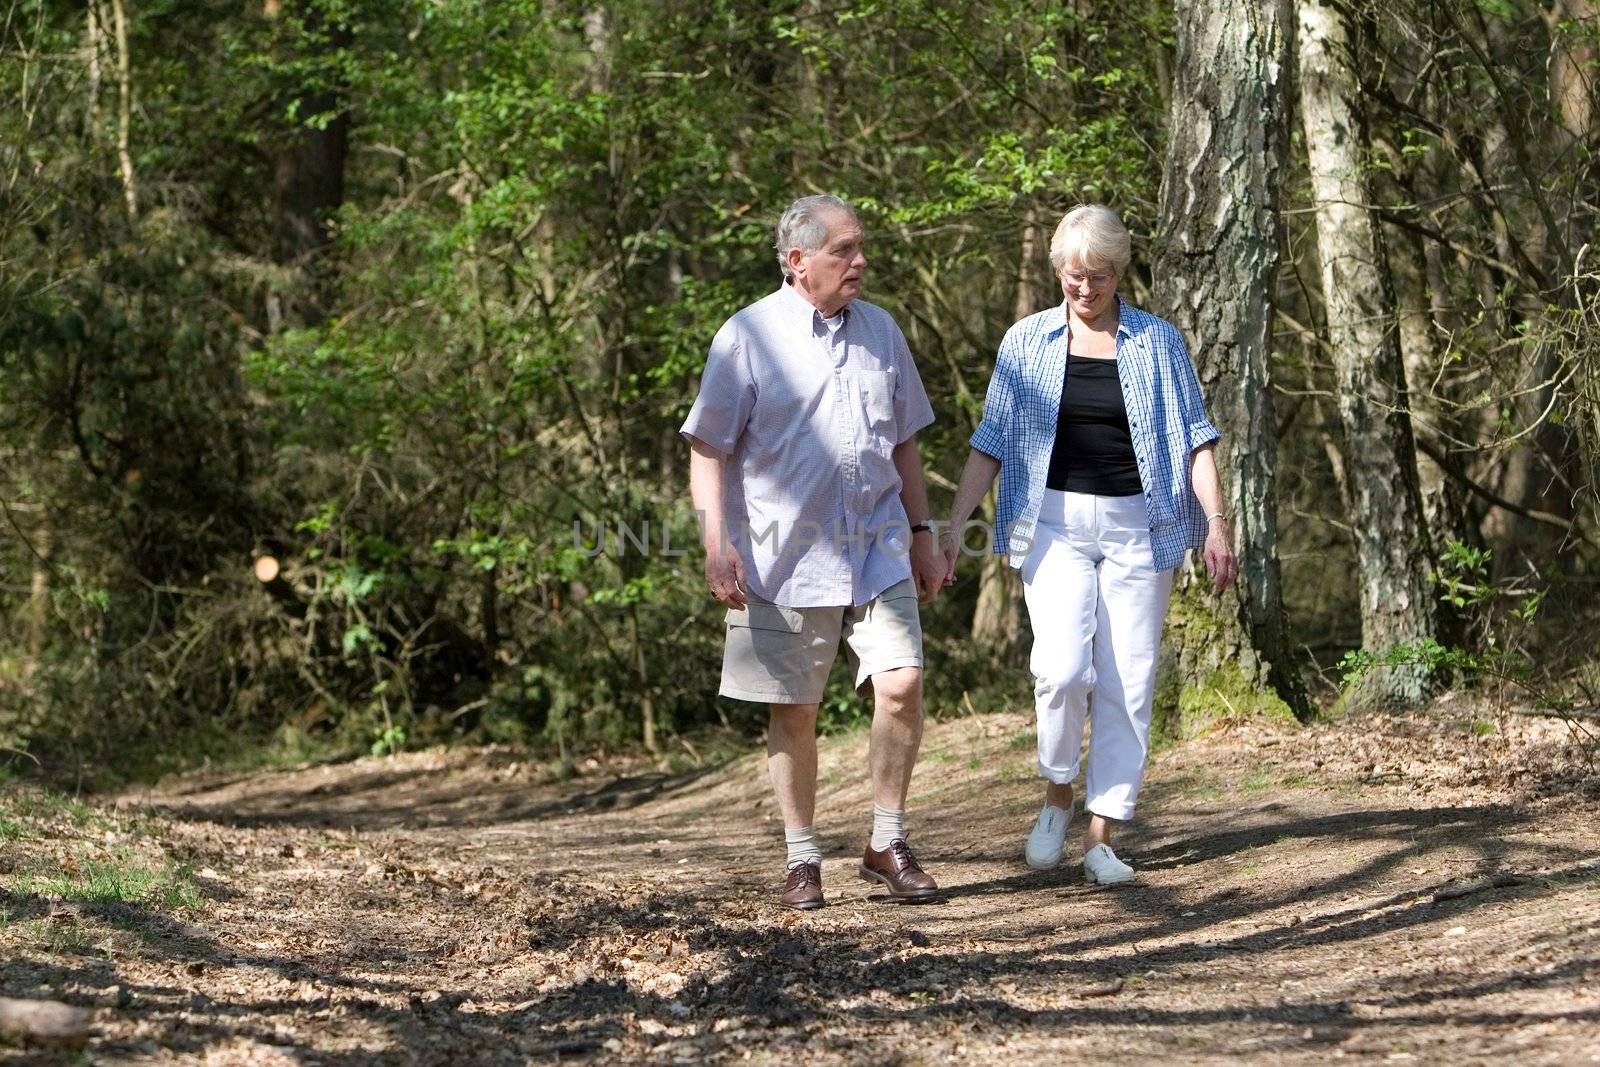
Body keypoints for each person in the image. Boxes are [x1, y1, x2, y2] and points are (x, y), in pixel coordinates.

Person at [942, 204, 1237, 885]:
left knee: (1129, 680)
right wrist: (955, 524)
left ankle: (1103, 833)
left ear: (1119, 272)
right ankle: (1056, 794)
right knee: (1062, 668)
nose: (1084, 289)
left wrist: (1216, 522)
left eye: (1098, 276)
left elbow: (1196, 437)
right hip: (1054, 522)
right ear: (1058, 272)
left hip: (1141, 523)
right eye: (1073, 276)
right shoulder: (1026, 342)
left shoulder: (1157, 342)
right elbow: (990, 441)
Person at [682, 195, 946, 910]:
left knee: (901, 683)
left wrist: (924, 535)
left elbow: (905, 444)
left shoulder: (883, 331)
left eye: (860, 248)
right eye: (844, 250)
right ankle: (803, 857)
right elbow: (707, 449)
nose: (860, 262)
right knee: (794, 708)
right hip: (783, 555)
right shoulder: (746, 337)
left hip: (879, 544)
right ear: (798, 261)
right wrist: (716, 542)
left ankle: (886, 840)